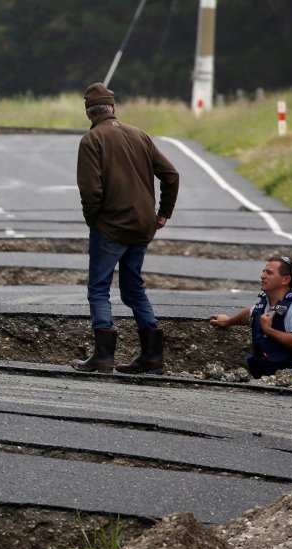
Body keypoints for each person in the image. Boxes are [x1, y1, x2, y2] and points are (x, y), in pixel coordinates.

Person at [70, 83, 179, 374]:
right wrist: (163, 213)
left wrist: (93, 220)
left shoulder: (92, 140)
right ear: (113, 108)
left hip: (111, 229)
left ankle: (103, 356)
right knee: (133, 289)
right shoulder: (139, 135)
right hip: (142, 228)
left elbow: (91, 191)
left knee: (99, 289)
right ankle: (152, 356)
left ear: (88, 113)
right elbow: (171, 175)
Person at [209, 256, 292, 378]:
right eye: (263, 271)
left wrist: (269, 330)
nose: (262, 276)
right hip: (268, 381)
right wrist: (228, 321)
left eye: (269, 273)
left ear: (285, 279)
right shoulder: (264, 303)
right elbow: (251, 313)